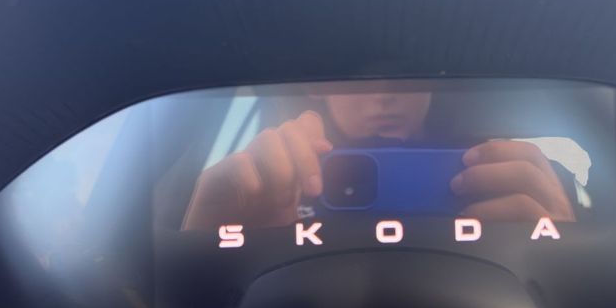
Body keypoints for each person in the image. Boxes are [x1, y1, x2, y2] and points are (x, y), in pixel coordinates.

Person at [181, 83, 575, 231]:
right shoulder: (265, 187)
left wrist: (558, 243)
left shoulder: (513, 176)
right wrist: (207, 250)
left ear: (434, 84)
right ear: (315, 87)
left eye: (409, 71)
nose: (384, 93)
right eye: (353, 73)